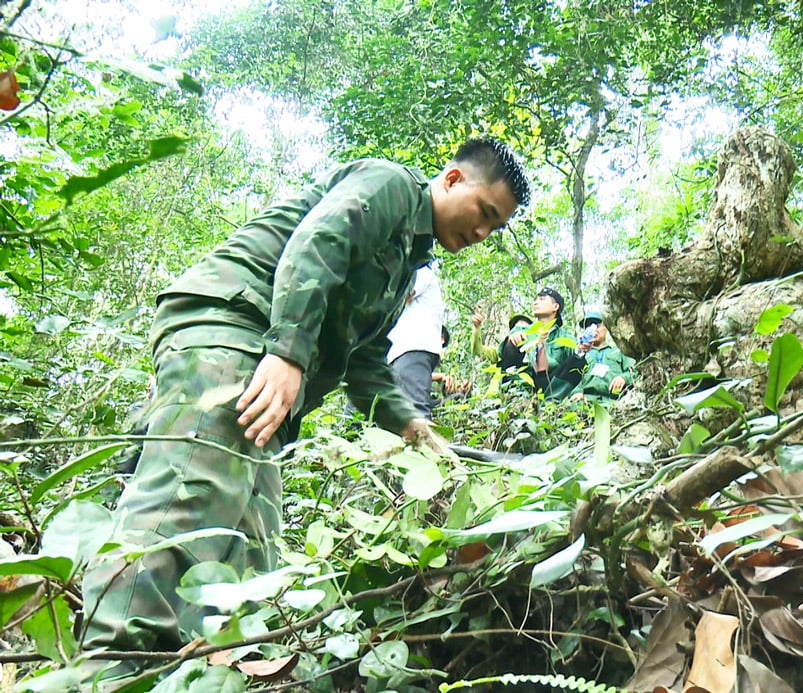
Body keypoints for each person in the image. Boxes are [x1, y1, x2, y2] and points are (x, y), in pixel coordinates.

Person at [79, 138, 529, 682]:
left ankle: (195, 672)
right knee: (193, 492)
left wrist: (411, 424)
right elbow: (317, 240)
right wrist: (288, 351)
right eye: (485, 213)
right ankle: (107, 666)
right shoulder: (390, 186)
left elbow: (364, 360)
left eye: (495, 227)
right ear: (454, 180)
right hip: (233, 328)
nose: (482, 233)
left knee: (253, 541)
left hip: (263, 353)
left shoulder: (404, 266)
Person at [386, 264, 445, 418]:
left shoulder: (421, 272)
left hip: (413, 347)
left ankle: (425, 435)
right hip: (402, 352)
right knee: (402, 414)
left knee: (415, 412)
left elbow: (401, 295)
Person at [508, 287, 583, 400]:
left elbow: (579, 361)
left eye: (542, 299)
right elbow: (504, 354)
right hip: (526, 379)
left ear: (555, 307)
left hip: (552, 383)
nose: (536, 302)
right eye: (536, 300)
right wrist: (513, 338)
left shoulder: (565, 336)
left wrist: (579, 391)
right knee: (510, 343)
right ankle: (516, 395)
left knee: (578, 358)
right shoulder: (523, 330)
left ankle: (552, 400)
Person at [569, 311, 636, 402]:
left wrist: (624, 378)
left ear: (606, 328)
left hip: (616, 401)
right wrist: (576, 392)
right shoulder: (580, 355)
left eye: (597, 325)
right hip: (587, 402)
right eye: (588, 326)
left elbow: (636, 371)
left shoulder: (619, 352)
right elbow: (570, 379)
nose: (593, 329)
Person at [472, 309, 532, 394]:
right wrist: (476, 328)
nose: (519, 331)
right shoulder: (500, 353)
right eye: (516, 328)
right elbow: (479, 351)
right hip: (501, 397)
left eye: (524, 327)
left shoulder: (536, 352)